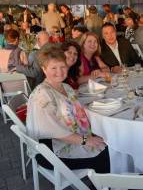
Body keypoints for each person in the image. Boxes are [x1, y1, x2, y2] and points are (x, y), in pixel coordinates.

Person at [26, 44, 109, 175]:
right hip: (52, 150)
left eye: (62, 66)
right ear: (44, 69)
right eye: (54, 67)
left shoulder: (66, 87)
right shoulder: (42, 94)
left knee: (110, 144)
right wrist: (86, 140)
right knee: (106, 155)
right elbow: (52, 131)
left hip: (73, 137)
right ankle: (103, 184)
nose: (59, 71)